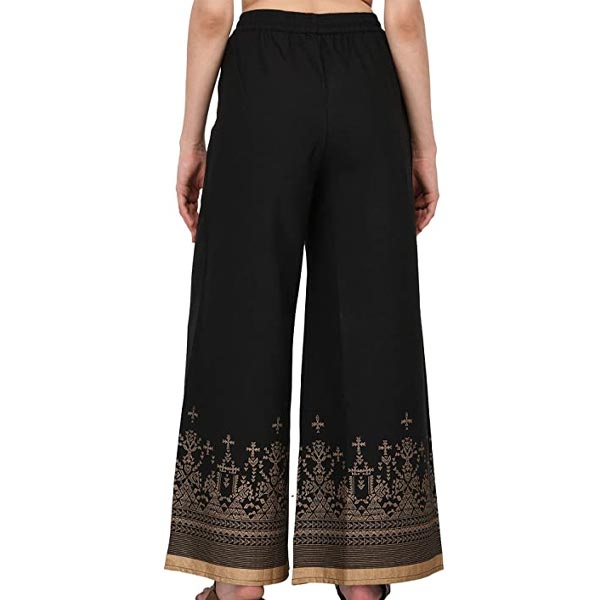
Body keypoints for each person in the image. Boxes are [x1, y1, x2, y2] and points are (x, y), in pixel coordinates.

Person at [163, 0, 443, 598]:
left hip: (262, 81)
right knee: (369, 315)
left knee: (241, 313)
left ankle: (237, 578)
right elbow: (404, 22)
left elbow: (212, 16)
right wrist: (424, 149)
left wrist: (191, 140)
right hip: (365, 76)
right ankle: (365, 574)